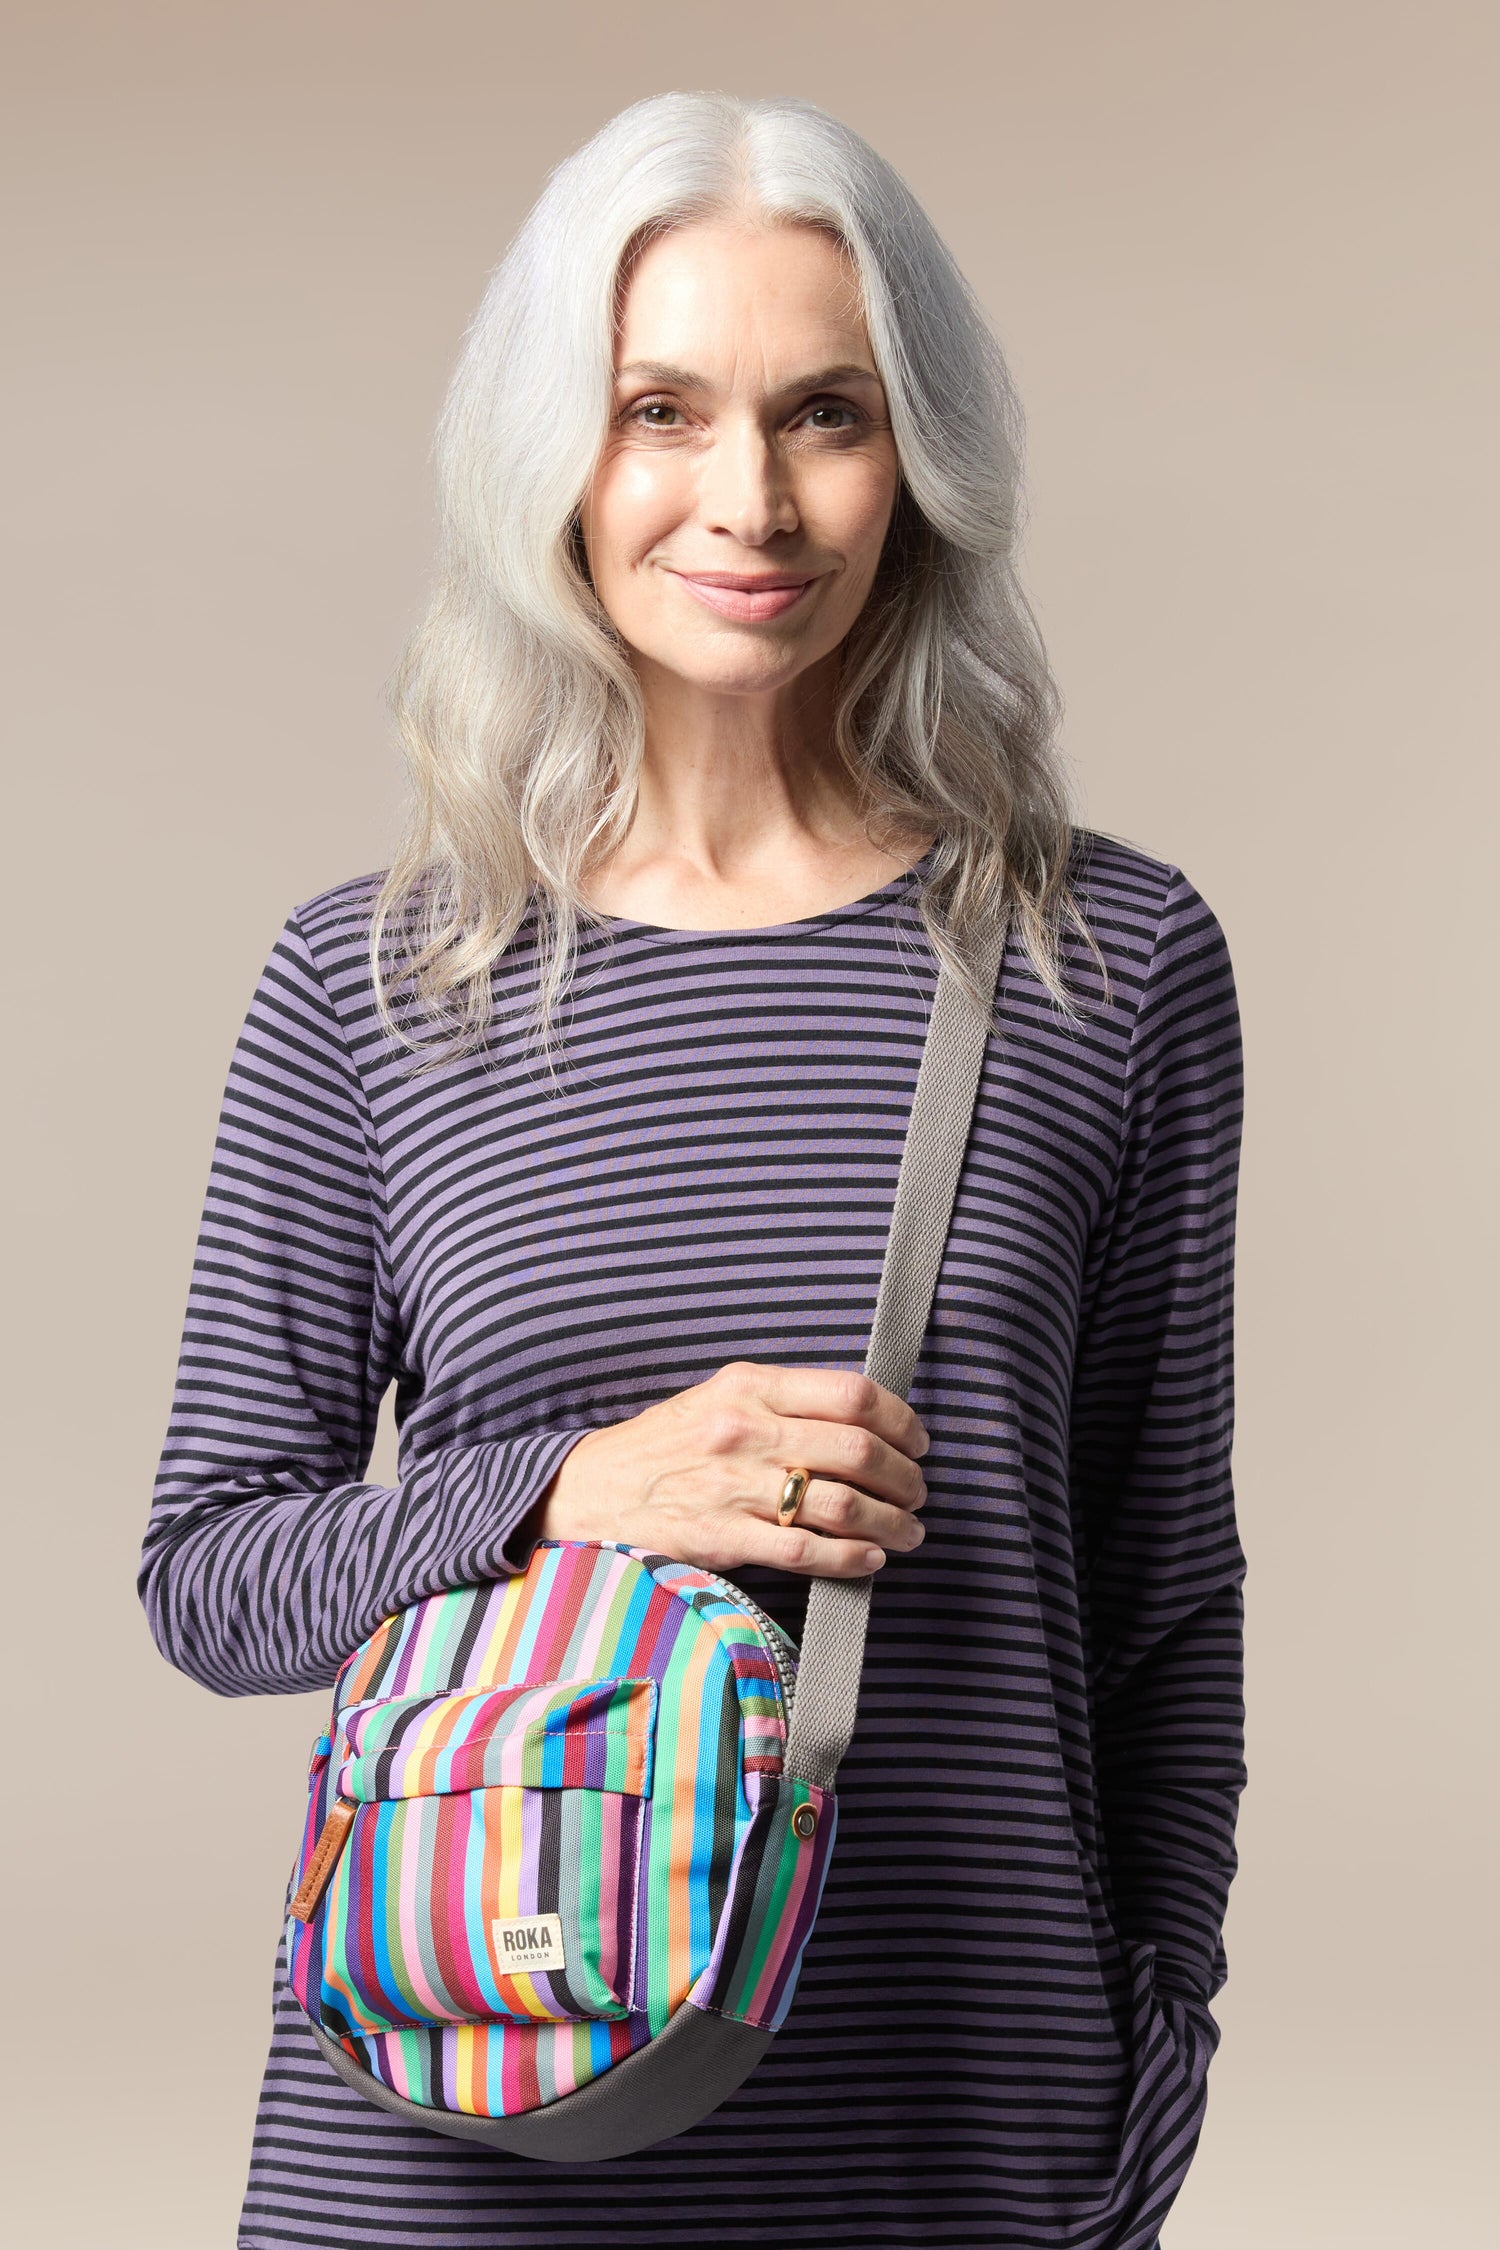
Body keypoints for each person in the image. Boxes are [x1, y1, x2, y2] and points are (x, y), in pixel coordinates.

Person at [140, 89, 1243, 2250]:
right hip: (467, 2101)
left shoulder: (1103, 961)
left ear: (916, 454)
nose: (748, 498)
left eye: (825, 413)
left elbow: (1161, 1598)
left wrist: (1156, 2047)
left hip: (950, 2106)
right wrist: (571, 1489)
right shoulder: (370, 984)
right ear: (552, 451)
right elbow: (208, 1576)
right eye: (662, 409)